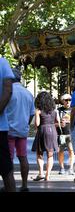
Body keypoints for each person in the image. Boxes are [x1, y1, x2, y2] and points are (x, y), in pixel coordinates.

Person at [6, 68, 34, 191]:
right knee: (23, 157)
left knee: (8, 159)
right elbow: (32, 113)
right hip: (22, 130)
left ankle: (9, 184)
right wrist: (25, 123)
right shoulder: (28, 93)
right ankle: (24, 184)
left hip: (9, 130)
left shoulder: (8, 92)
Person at [31, 91, 59, 181]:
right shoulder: (54, 111)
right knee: (50, 155)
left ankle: (41, 173)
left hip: (42, 131)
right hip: (52, 131)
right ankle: (48, 175)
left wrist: (36, 114)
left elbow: (37, 124)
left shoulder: (39, 111)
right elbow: (57, 122)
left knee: (40, 154)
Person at [0, 58, 16, 192]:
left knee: (6, 168)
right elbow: (8, 90)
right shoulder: (2, 63)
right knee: (6, 169)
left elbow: (8, 91)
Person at [56, 94, 75, 175]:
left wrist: (67, 122)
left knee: (72, 151)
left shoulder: (74, 109)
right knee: (60, 151)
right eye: (66, 100)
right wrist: (60, 123)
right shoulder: (58, 110)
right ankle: (62, 168)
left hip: (71, 133)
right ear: (62, 101)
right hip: (61, 134)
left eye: (69, 100)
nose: (68, 102)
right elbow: (54, 122)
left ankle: (71, 168)